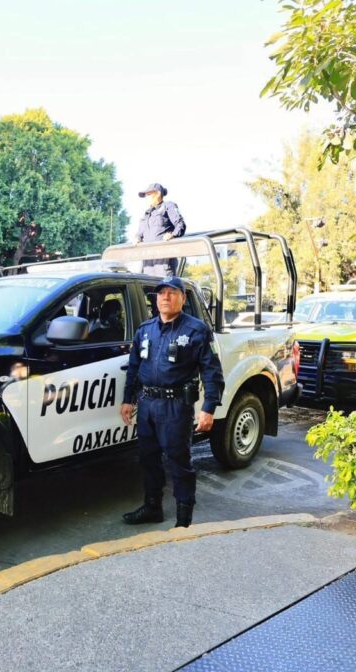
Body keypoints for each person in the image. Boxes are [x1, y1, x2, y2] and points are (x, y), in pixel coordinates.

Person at [120, 276, 224, 528]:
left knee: (179, 461)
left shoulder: (196, 330)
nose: (165, 297)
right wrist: (128, 399)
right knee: (148, 459)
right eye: (161, 293)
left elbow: (212, 372)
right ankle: (152, 507)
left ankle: (183, 520)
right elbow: (134, 367)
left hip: (176, 407)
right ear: (156, 299)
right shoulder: (146, 329)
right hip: (147, 404)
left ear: (183, 298)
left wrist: (209, 408)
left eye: (172, 292)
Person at [135, 182, 187, 276]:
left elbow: (180, 224)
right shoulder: (147, 213)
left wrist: (172, 235)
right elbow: (140, 232)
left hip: (164, 259)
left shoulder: (168, 206)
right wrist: (137, 238)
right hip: (148, 261)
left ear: (158, 193)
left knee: (164, 284)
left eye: (149, 194)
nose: (147, 198)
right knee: (149, 284)